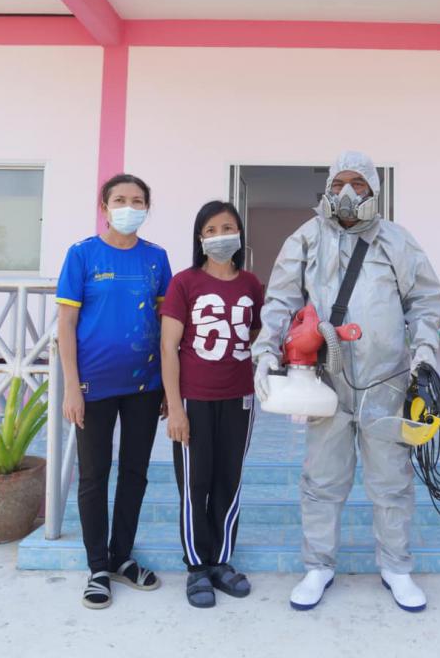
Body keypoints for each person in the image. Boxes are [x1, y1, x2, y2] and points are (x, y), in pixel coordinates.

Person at [251, 150, 440, 613]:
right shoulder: (307, 238)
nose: (348, 193)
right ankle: (318, 566)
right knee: (322, 477)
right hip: (325, 381)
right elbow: (280, 299)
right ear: (327, 190)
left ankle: (396, 567)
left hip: (387, 381)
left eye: (358, 184)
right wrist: (265, 351)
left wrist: (424, 349)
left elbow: (424, 299)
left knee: (392, 479)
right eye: (339, 184)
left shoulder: (396, 240)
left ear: (374, 190)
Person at [56, 173, 172, 610]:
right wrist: (72, 387)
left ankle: (122, 556)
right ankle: (97, 568)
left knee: (135, 472)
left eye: (137, 200)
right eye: (120, 199)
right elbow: (66, 324)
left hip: (145, 385)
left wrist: (169, 386)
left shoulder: (156, 259)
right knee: (93, 475)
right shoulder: (82, 254)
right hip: (94, 386)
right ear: (104, 207)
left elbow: (166, 327)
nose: (129, 207)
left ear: (147, 208)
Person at [160, 200, 265, 609]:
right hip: (195, 398)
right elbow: (168, 347)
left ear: (240, 233)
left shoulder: (251, 284)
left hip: (240, 398)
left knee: (228, 480)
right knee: (195, 484)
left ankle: (221, 561)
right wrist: (175, 407)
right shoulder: (184, 283)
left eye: (228, 228)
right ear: (200, 238)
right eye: (212, 230)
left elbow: (256, 335)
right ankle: (196, 567)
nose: (221, 236)